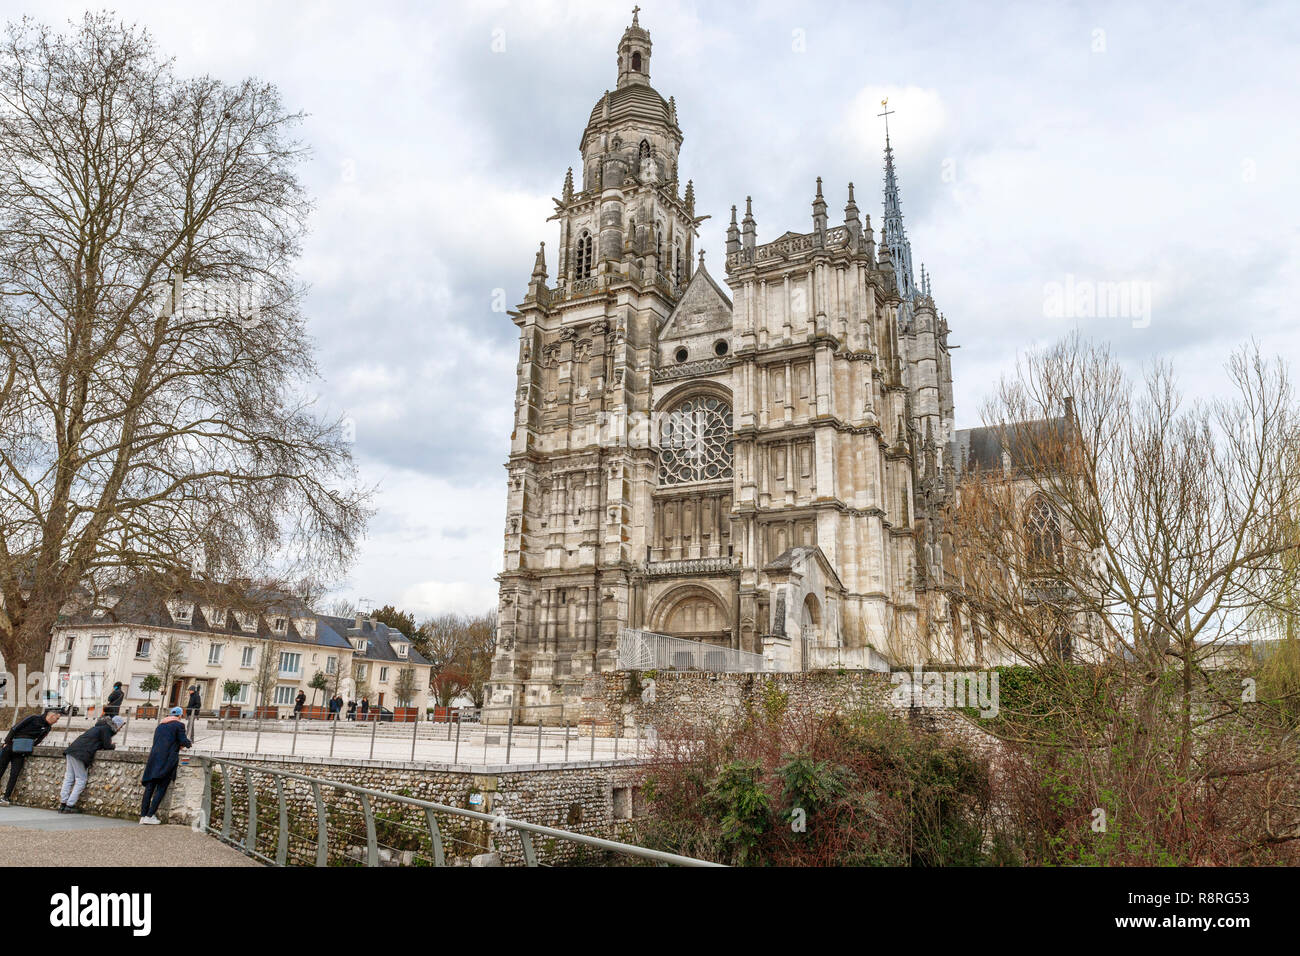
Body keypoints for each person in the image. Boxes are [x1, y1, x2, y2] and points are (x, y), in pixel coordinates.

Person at [60, 715, 125, 813]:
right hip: (80, 753)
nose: (120, 729)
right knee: (81, 780)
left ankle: (63, 804)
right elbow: (107, 746)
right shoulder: (106, 729)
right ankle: (69, 805)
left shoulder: (99, 727)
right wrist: (113, 746)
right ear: (117, 725)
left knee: (69, 778)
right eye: (121, 726)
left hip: (72, 750)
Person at [139, 707, 192, 825]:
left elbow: (165, 741)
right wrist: (189, 744)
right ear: (179, 716)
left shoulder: (160, 726)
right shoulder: (179, 725)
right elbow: (183, 741)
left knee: (149, 788)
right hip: (166, 760)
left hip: (154, 759)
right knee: (161, 788)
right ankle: (150, 815)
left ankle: (143, 816)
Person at [0, 708, 61, 805]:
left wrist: (30, 747)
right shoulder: (33, 718)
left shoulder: (48, 727)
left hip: (22, 751)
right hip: (11, 745)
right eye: (57, 718)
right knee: (1, 769)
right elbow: (15, 728)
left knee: (14, 774)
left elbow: (39, 740)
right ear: (51, 715)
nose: (57, 721)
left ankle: (6, 797)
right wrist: (6, 742)